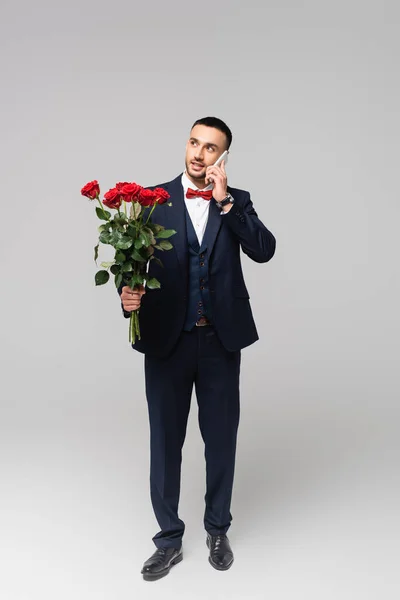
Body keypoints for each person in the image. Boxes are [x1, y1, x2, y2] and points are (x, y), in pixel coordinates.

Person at [118, 116, 276, 581]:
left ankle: (217, 528)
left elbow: (264, 250)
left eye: (210, 148)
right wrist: (126, 295)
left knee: (220, 440)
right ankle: (168, 540)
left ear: (222, 158)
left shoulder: (236, 202)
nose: (197, 154)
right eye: (193, 142)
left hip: (220, 341)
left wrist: (227, 202)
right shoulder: (151, 202)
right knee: (165, 442)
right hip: (168, 340)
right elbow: (132, 264)